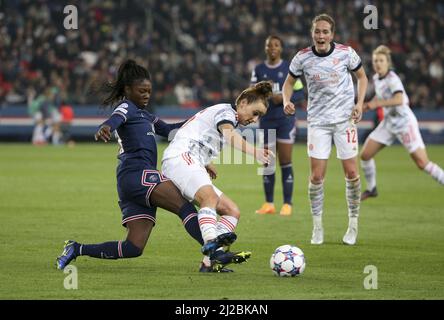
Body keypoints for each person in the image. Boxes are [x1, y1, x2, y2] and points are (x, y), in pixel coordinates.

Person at [56, 60, 243, 273]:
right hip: (139, 174)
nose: (146, 95)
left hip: (130, 183)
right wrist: (106, 127)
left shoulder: (146, 116)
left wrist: (200, 121)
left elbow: (172, 130)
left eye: (149, 91)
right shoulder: (128, 106)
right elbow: (115, 118)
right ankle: (214, 251)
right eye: (142, 91)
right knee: (184, 206)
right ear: (128, 90)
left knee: (133, 247)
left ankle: (76, 249)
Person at [161, 81, 274, 266]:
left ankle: (209, 263)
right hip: (179, 158)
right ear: (243, 103)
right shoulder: (226, 112)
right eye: (256, 113)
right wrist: (256, 152)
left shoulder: (227, 116)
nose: (255, 119)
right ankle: (213, 245)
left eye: (259, 116)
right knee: (209, 197)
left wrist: (206, 162)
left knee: (232, 211)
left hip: (191, 160)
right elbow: (229, 136)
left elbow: (196, 134)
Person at [282, 14, 368, 245]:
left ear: (332, 34)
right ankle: (317, 226)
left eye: (325, 32)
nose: (321, 36)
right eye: (317, 31)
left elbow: (362, 77)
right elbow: (288, 82)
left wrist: (359, 103)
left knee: (351, 174)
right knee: (317, 176)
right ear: (312, 33)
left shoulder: (346, 53)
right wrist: (285, 101)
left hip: (344, 122)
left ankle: (353, 224)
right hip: (318, 122)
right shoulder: (302, 57)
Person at [360, 45, 444, 200]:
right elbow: (380, 97)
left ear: (388, 63)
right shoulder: (377, 78)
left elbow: (399, 99)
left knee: (422, 163)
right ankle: (372, 189)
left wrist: (378, 104)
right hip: (388, 123)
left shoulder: (393, 79)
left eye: (381, 60)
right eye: (375, 61)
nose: (378, 63)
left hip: (404, 124)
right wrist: (368, 105)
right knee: (365, 155)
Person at [251, 35, 305, 216]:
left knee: (285, 161)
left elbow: (299, 94)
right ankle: (269, 204)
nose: (272, 48)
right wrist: (265, 96)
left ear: (280, 48)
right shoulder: (258, 69)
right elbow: (252, 93)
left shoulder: (289, 68)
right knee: (268, 162)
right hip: (266, 120)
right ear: (265, 48)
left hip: (285, 120)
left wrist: (282, 98)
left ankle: (287, 204)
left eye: (276, 45)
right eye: (269, 45)